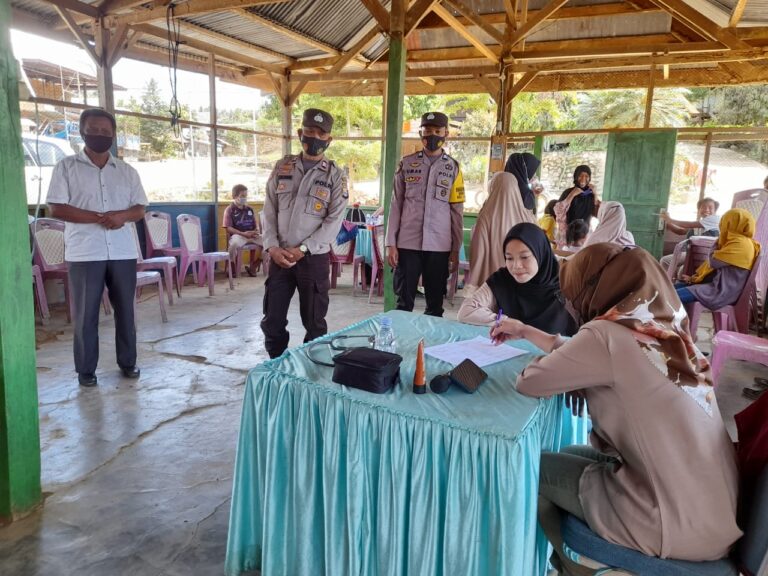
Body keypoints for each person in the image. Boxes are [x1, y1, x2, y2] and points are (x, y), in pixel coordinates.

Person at [492, 244, 742, 562]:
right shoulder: (664, 324)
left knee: (525, 469)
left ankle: (571, 564)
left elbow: (531, 382)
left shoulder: (606, 335)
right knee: (568, 453)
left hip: (669, 521)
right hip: (710, 514)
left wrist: (551, 358)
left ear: (595, 286)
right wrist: (528, 331)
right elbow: (590, 354)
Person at [47, 108, 148, 387]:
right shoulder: (66, 167)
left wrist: (121, 217)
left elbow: (140, 208)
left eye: (106, 131)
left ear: (114, 135)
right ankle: (86, 370)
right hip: (84, 253)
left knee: (126, 312)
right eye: (94, 130)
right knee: (85, 315)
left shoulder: (127, 172)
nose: (100, 135)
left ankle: (128, 362)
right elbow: (56, 207)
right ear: (82, 132)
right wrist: (99, 218)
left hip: (122, 251)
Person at [260, 108, 348, 359]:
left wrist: (304, 249)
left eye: (322, 134)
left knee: (314, 322)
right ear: (300, 134)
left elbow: (333, 221)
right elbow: (268, 209)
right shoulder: (282, 167)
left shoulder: (335, 176)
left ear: (329, 139)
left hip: (312, 258)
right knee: (273, 319)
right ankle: (276, 364)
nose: (315, 138)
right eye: (310, 132)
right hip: (280, 256)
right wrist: (272, 246)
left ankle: (313, 369)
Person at [385, 111, 464, 317]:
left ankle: (431, 347)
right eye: (428, 131)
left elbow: (457, 211)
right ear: (421, 133)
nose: (432, 136)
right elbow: (396, 204)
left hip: (439, 246)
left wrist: (456, 249)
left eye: (437, 131)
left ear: (446, 133)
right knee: (403, 302)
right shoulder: (407, 164)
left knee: (435, 304)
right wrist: (390, 243)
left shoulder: (453, 168)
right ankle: (401, 345)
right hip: (407, 244)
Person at [458, 223, 576, 336]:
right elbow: (466, 311)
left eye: (524, 257)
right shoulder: (502, 280)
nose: (516, 266)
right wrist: (506, 322)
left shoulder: (566, 283)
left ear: (541, 253)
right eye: (509, 258)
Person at [675, 208, 760, 309]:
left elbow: (713, 262)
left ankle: (667, 322)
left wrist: (716, 243)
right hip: (717, 287)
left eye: (724, 222)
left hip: (720, 292)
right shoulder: (743, 241)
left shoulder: (740, 244)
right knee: (667, 289)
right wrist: (693, 279)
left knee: (669, 297)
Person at [467, 172, 536, 291]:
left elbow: (478, 251)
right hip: (521, 279)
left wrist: (473, 281)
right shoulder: (528, 216)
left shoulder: (486, 216)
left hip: (493, 281)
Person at [660, 197, 720, 274]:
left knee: (665, 261)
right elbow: (681, 231)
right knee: (682, 272)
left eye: (710, 207)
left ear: (715, 211)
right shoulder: (700, 223)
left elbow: (689, 224)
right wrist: (667, 224)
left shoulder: (714, 220)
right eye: (703, 207)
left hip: (706, 255)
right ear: (699, 210)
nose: (707, 210)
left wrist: (670, 220)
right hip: (694, 253)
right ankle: (671, 283)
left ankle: (664, 283)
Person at [222, 184, 261, 277]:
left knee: (269, 242)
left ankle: (254, 266)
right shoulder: (229, 210)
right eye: (242, 196)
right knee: (233, 244)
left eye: (246, 196)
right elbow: (228, 228)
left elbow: (256, 225)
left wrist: (256, 231)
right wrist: (243, 233)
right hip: (239, 236)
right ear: (234, 197)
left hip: (251, 236)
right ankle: (232, 267)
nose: (245, 198)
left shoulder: (250, 209)